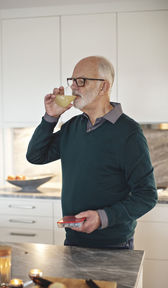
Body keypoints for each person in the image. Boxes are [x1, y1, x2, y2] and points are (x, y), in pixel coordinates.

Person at [26, 56, 157, 249]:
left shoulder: (129, 133)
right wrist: (51, 117)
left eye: (82, 81)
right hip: (73, 241)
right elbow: (36, 156)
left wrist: (102, 218)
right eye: (72, 81)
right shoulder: (73, 127)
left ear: (103, 87)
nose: (73, 88)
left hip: (114, 247)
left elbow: (147, 195)